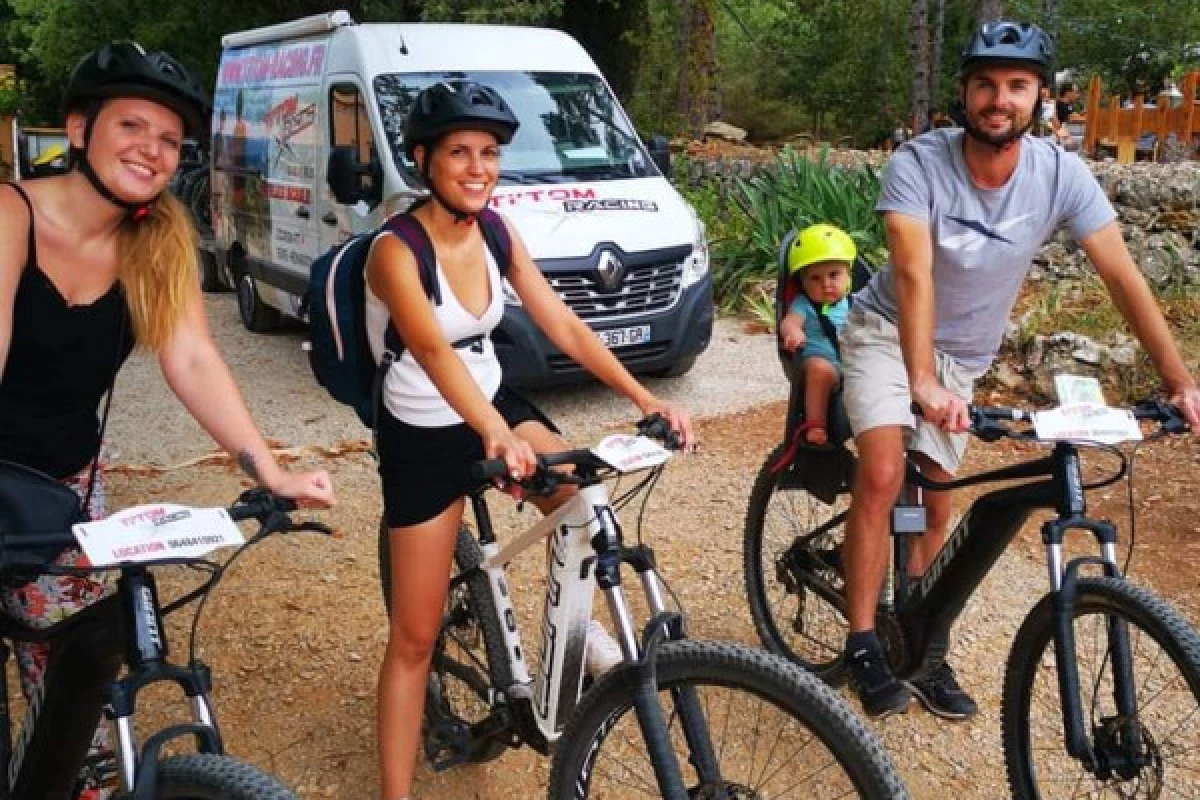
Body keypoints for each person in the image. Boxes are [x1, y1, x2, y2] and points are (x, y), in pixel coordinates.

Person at [837, 20, 1200, 721]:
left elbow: (1122, 274)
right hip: (887, 333)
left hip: (961, 357)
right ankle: (861, 639)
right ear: (964, 93)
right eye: (984, 84)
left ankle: (920, 641)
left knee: (938, 495)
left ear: (1039, 98)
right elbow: (913, 275)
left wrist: (1179, 379)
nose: (998, 99)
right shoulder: (918, 162)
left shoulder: (1059, 173)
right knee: (885, 469)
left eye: (1016, 86)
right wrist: (919, 381)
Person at [0, 42, 336, 798]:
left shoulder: (156, 240)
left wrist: (268, 468)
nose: (151, 151)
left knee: (76, 680)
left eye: (168, 138)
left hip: (64, 487)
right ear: (79, 129)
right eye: (132, 127)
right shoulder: (11, 213)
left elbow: (192, 358)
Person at [367, 81, 693, 800]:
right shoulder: (395, 250)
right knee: (415, 639)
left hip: (488, 398)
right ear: (423, 159)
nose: (479, 167)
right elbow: (430, 349)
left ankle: (581, 641)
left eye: (489, 153)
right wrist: (489, 433)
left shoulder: (495, 231)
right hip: (422, 428)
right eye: (459, 152)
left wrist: (646, 398)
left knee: (583, 496)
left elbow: (564, 323)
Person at [778, 223, 856, 446]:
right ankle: (816, 424)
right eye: (815, 278)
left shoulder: (855, 303)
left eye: (834, 275)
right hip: (825, 364)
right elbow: (790, 322)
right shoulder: (804, 304)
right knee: (818, 370)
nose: (826, 284)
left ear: (848, 273)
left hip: (856, 365)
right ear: (802, 282)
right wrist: (792, 333)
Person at [1053, 82, 1080, 149]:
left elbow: (1074, 116)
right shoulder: (1060, 105)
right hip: (1062, 141)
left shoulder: (1067, 106)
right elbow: (1071, 119)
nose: (1077, 95)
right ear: (1068, 93)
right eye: (1076, 92)